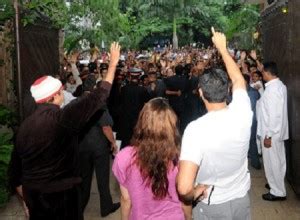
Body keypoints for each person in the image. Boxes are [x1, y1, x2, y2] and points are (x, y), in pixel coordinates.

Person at [8, 42, 120, 220]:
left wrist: (27, 201)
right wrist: (113, 64)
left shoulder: (24, 127)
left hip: (35, 197)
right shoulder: (62, 120)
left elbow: (14, 174)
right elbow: (99, 97)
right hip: (63, 198)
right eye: (60, 91)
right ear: (53, 96)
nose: (62, 94)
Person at [177, 28, 253, 219]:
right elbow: (238, 79)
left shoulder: (196, 130)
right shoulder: (243, 112)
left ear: (200, 93)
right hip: (241, 200)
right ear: (227, 89)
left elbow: (184, 187)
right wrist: (222, 48)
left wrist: (195, 192)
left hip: (211, 205)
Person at [112, 98, 191, 220]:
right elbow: (184, 199)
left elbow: (126, 199)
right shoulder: (181, 157)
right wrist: (189, 217)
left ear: (142, 123)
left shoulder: (124, 157)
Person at [78, 76, 120, 217]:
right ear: (94, 88)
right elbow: (106, 127)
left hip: (81, 147)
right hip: (99, 147)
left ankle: (79, 209)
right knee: (102, 178)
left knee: (84, 180)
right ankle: (106, 207)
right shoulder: (98, 103)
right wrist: (113, 143)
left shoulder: (76, 102)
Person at [256, 62, 288, 201]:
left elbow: (274, 115)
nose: (262, 75)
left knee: (272, 162)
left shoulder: (273, 90)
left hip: (271, 133)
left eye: (263, 73)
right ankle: (275, 185)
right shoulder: (279, 86)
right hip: (276, 132)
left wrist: (268, 135)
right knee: (278, 161)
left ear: (268, 73)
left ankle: (277, 192)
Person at [118, 68, 150, 148]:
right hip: (137, 118)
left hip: (125, 118)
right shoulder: (142, 90)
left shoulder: (124, 89)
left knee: (126, 141)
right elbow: (147, 103)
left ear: (130, 77)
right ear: (138, 77)